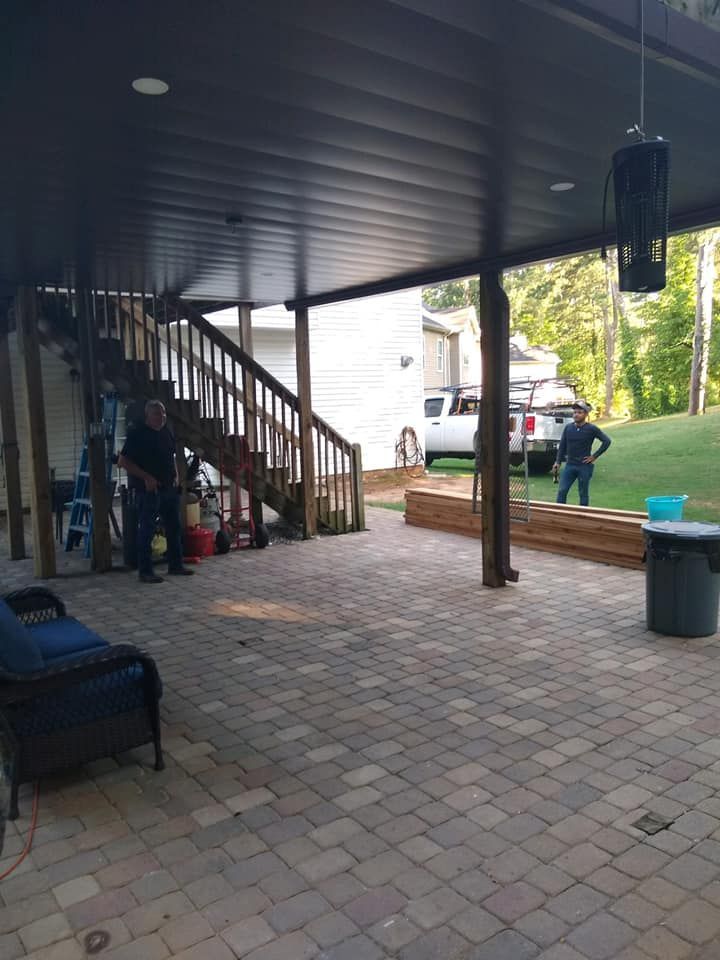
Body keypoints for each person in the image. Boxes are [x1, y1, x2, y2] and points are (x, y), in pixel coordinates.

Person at [118, 400, 194, 583]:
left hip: (169, 488)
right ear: (148, 415)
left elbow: (171, 456)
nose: (162, 418)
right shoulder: (137, 434)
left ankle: (175, 565)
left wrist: (176, 475)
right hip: (149, 491)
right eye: (157, 414)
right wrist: (146, 477)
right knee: (147, 530)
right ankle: (145, 571)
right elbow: (123, 462)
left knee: (174, 528)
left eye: (164, 414)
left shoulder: (166, 432)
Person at [552, 401, 611, 507]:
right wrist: (558, 461)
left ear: (585, 414)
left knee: (583, 494)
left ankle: (583, 516)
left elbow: (607, 441)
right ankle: (560, 515)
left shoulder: (591, 429)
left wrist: (594, 456)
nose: (576, 414)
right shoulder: (568, 428)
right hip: (570, 465)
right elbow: (562, 445)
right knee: (562, 491)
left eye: (579, 412)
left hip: (584, 466)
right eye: (574, 412)